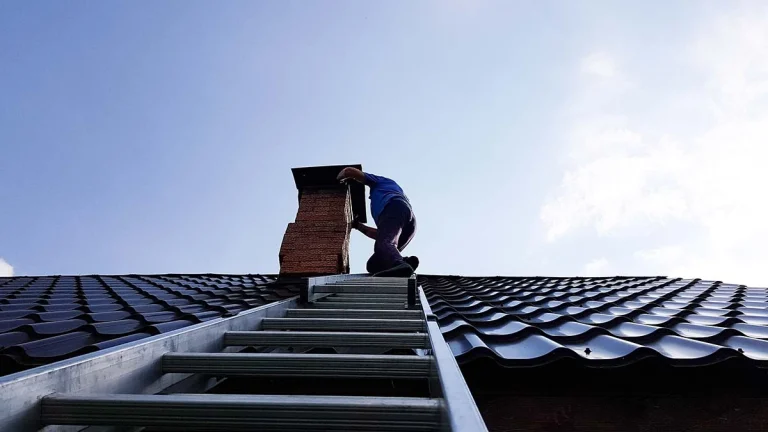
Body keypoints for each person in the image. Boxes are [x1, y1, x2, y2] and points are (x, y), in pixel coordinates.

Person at [337, 167, 419, 277]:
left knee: (384, 244)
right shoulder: (395, 192)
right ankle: (405, 262)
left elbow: (349, 171)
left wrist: (337, 180)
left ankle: (400, 265)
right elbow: (382, 234)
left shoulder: (380, 182)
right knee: (373, 264)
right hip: (409, 222)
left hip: (394, 207)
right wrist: (358, 226)